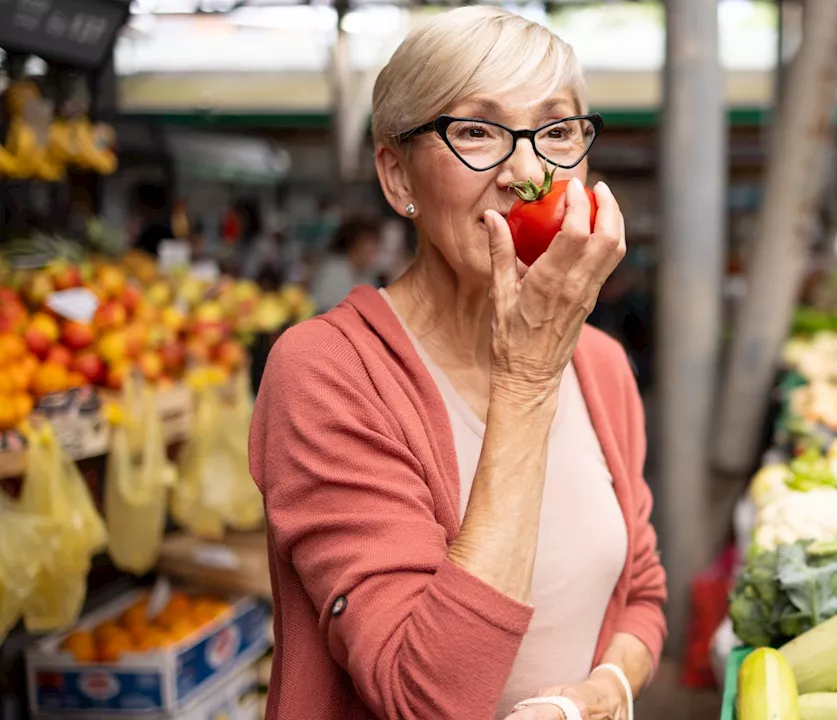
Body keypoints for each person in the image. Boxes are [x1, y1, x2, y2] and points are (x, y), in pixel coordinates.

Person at [248, 7, 666, 720]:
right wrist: (529, 381)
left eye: (557, 131)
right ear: (396, 174)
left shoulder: (598, 365)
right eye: (476, 131)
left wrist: (607, 690)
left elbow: (644, 593)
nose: (528, 174)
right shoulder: (325, 372)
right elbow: (425, 696)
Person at [309, 215, 383, 312]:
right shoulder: (334, 270)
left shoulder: (368, 276)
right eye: (368, 247)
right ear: (355, 245)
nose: (373, 253)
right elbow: (327, 307)